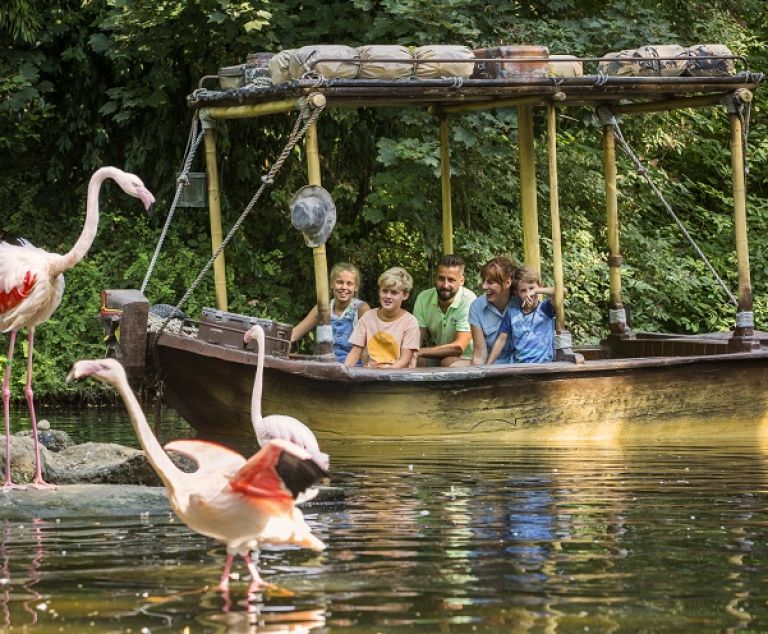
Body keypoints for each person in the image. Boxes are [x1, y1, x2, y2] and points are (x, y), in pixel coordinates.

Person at [292, 262, 370, 363]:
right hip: (324, 364)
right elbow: (295, 333)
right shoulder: (323, 308)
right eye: (339, 282)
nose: (344, 287)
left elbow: (369, 346)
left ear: (356, 287)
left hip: (352, 368)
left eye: (349, 283)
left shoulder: (361, 309)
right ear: (332, 284)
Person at [344, 267, 420, 369]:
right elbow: (355, 352)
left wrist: (385, 374)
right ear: (379, 292)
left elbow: (405, 360)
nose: (388, 296)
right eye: (384, 291)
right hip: (371, 374)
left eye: (394, 292)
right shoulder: (368, 317)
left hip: (399, 376)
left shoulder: (410, 322)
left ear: (405, 295)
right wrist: (344, 372)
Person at [412, 254, 477, 367]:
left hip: (468, 358)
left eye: (451, 280)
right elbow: (416, 339)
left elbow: (458, 347)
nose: (445, 285)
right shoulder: (423, 298)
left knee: (447, 363)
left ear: (461, 281)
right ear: (435, 278)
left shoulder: (469, 301)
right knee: (413, 360)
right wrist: (411, 354)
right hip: (439, 356)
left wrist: (420, 352)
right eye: (441, 278)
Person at [486, 266, 556, 364]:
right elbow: (501, 340)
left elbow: (562, 291)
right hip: (520, 366)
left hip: (543, 365)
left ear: (540, 286)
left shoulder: (545, 308)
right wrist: (488, 365)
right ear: (517, 293)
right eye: (523, 290)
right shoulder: (512, 313)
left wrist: (536, 291)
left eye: (531, 288)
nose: (529, 293)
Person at [469, 255, 517, 365]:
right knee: (451, 364)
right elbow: (479, 355)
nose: (484, 286)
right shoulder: (476, 307)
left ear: (507, 283)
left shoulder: (520, 302)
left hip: (522, 364)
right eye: (484, 281)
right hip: (493, 365)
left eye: (490, 282)